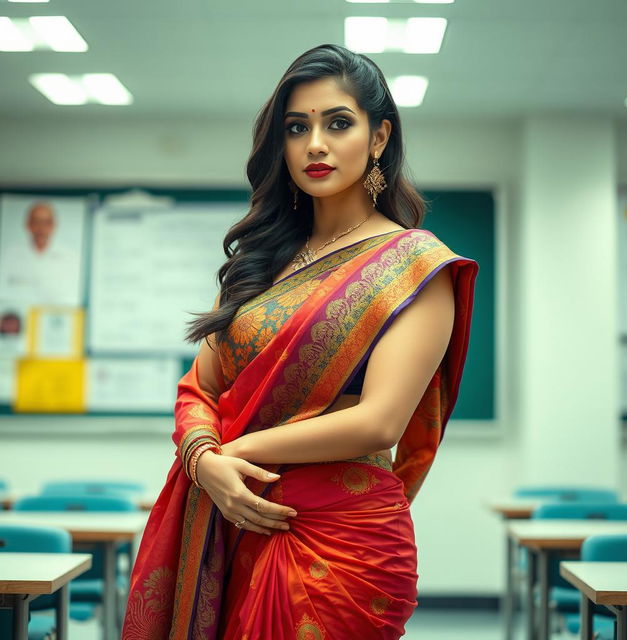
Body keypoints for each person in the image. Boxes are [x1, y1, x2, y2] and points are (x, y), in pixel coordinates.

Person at [122, 43, 479, 640]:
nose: (315, 143)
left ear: (379, 137)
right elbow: (198, 388)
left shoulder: (416, 267)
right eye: (297, 127)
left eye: (338, 123)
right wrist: (203, 460)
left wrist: (230, 455)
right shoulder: (257, 266)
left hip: (340, 542)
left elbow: (379, 423)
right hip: (227, 516)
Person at [0, 201, 81, 305]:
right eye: (36, 222)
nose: (41, 228)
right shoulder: (9, 256)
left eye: (46, 222)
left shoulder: (72, 258)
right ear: (28, 225)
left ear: (53, 225)